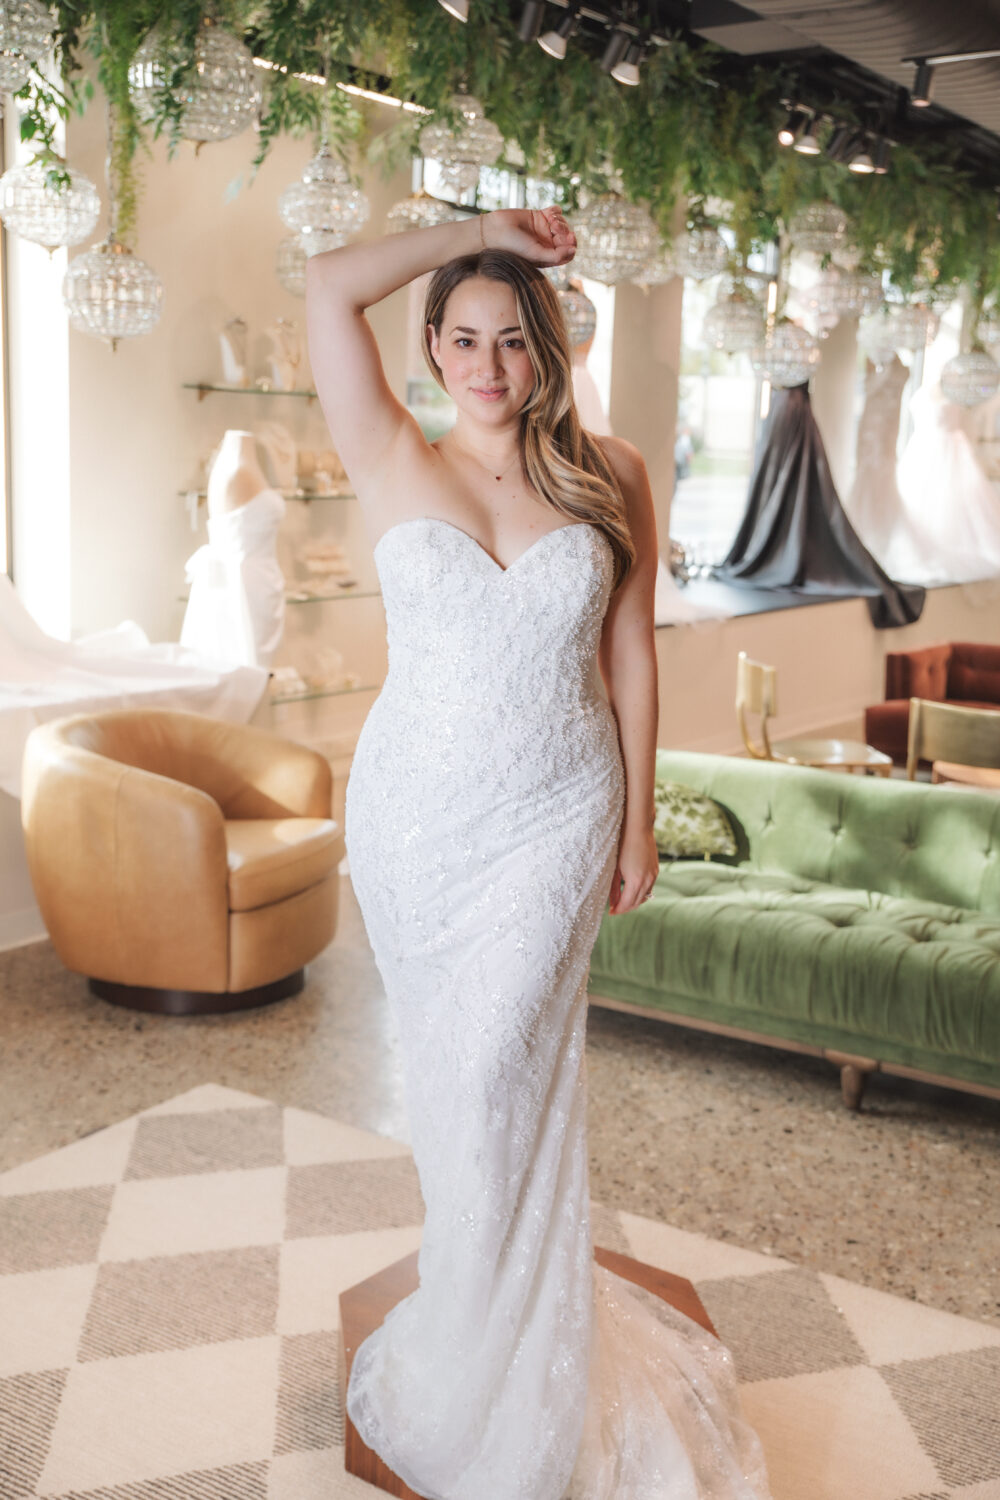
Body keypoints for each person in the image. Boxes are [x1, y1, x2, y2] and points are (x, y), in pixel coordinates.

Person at [306, 206, 772, 1500]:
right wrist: (474, 229)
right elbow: (324, 284)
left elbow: (629, 654)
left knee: (505, 1061)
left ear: (545, 349)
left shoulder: (610, 471)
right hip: (414, 823)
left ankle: (516, 1367)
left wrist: (636, 820)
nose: (488, 365)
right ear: (433, 348)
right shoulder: (391, 451)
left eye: (512, 339)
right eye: (462, 337)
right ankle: (471, 1328)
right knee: (456, 1089)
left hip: (556, 813)